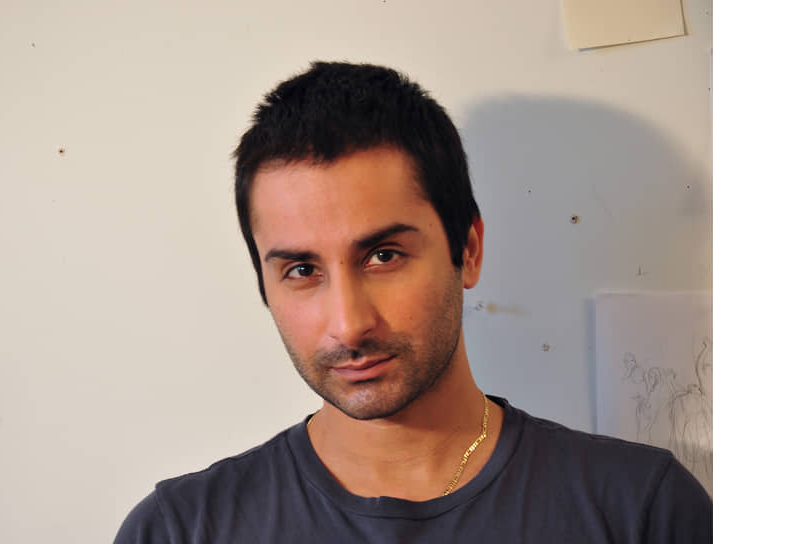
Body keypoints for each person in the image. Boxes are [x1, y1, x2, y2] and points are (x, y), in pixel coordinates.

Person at [114, 61, 712, 543]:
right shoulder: (179, 530)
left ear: (467, 250)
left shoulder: (642, 510)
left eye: (383, 256)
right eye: (301, 270)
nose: (349, 325)